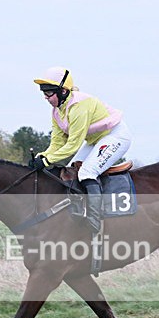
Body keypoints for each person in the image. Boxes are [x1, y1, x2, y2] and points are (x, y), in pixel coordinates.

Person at [30, 66, 132, 234]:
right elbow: (57, 143)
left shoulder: (79, 106)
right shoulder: (57, 111)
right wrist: (41, 157)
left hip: (116, 136)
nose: (45, 97)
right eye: (44, 93)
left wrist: (47, 161)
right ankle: (78, 212)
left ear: (63, 91)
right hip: (96, 139)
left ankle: (95, 219)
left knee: (86, 172)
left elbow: (73, 145)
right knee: (70, 172)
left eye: (48, 93)